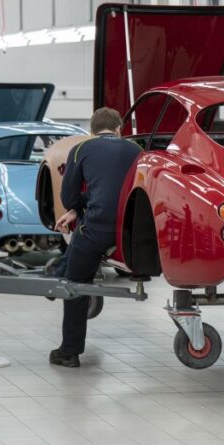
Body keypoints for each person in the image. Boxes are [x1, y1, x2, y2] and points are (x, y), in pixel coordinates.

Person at [49, 106, 141, 368]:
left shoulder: (81, 149)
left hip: (97, 229)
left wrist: (78, 208)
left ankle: (69, 352)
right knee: (76, 252)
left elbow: (67, 197)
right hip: (131, 232)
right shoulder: (136, 151)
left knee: (75, 284)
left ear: (91, 130)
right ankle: (57, 270)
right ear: (119, 128)